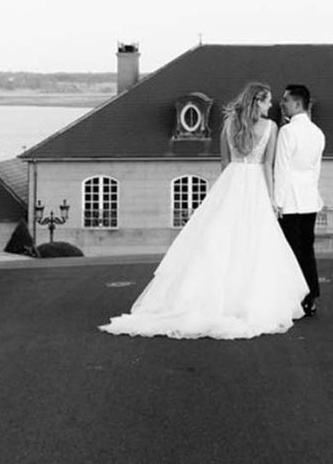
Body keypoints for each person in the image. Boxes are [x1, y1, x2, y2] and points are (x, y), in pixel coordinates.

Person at [99, 82, 309, 339]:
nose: (271, 105)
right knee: (253, 241)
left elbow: (224, 163)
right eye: (267, 101)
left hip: (231, 181)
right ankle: (243, 300)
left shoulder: (230, 125)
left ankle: (207, 299)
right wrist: (271, 198)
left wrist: (224, 193)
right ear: (257, 102)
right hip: (255, 184)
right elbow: (267, 165)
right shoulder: (272, 127)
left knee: (218, 240)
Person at [274, 84, 325, 317]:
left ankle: (295, 298)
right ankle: (310, 297)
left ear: (297, 104)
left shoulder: (287, 132)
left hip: (291, 202)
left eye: (285, 100)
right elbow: (316, 170)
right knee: (307, 249)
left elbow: (281, 170)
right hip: (309, 200)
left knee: (291, 251)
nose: (281, 103)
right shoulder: (318, 133)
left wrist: (277, 202)